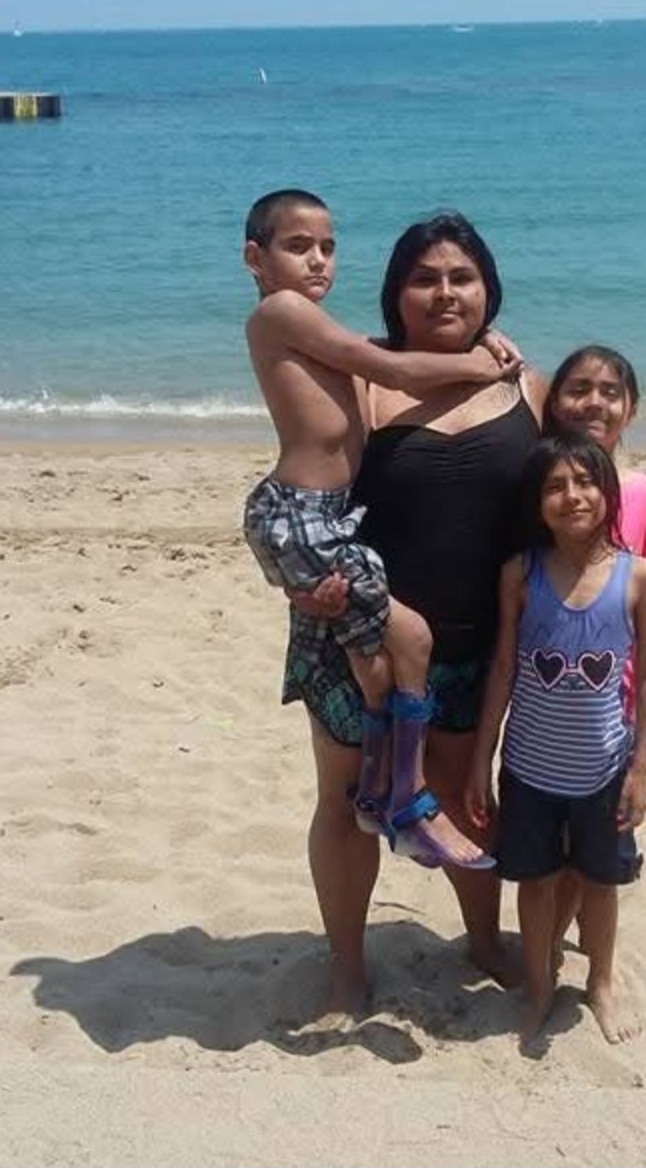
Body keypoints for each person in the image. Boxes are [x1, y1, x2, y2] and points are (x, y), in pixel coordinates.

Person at [287, 211, 646, 1016]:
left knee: (464, 794)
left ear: (488, 289)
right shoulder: (361, 381)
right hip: (361, 630)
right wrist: (303, 579)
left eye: (462, 277)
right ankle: (347, 966)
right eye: (424, 278)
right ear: (395, 292)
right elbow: (310, 490)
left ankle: (482, 939)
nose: (445, 292)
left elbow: (580, 480)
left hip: (481, 640)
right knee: (343, 799)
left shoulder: (522, 383)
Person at [241, 189, 518, 874]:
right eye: (298, 246)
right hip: (307, 515)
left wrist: (485, 341)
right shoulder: (285, 316)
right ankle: (405, 794)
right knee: (410, 641)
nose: (317, 260)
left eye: (328, 247)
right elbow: (392, 367)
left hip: (326, 520)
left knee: (377, 666)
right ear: (255, 258)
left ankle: (380, 789)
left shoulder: (315, 330)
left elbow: (377, 353)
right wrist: (478, 363)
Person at [466, 435, 646, 1044]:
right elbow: (504, 667)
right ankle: (539, 987)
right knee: (535, 883)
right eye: (555, 486)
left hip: (604, 770)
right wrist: (481, 760)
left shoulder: (641, 578)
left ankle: (600, 982)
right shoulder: (520, 574)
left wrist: (640, 769)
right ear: (537, 502)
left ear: (609, 492)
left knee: (601, 884)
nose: (572, 496)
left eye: (585, 482)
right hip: (528, 769)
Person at [543, 346, 646, 952]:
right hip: (545, 701)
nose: (594, 402)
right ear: (553, 403)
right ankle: (552, 940)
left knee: (596, 845)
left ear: (633, 409)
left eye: (611, 392)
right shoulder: (543, 489)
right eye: (578, 389)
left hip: (613, 708)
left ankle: (568, 946)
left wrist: (645, 744)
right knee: (552, 839)